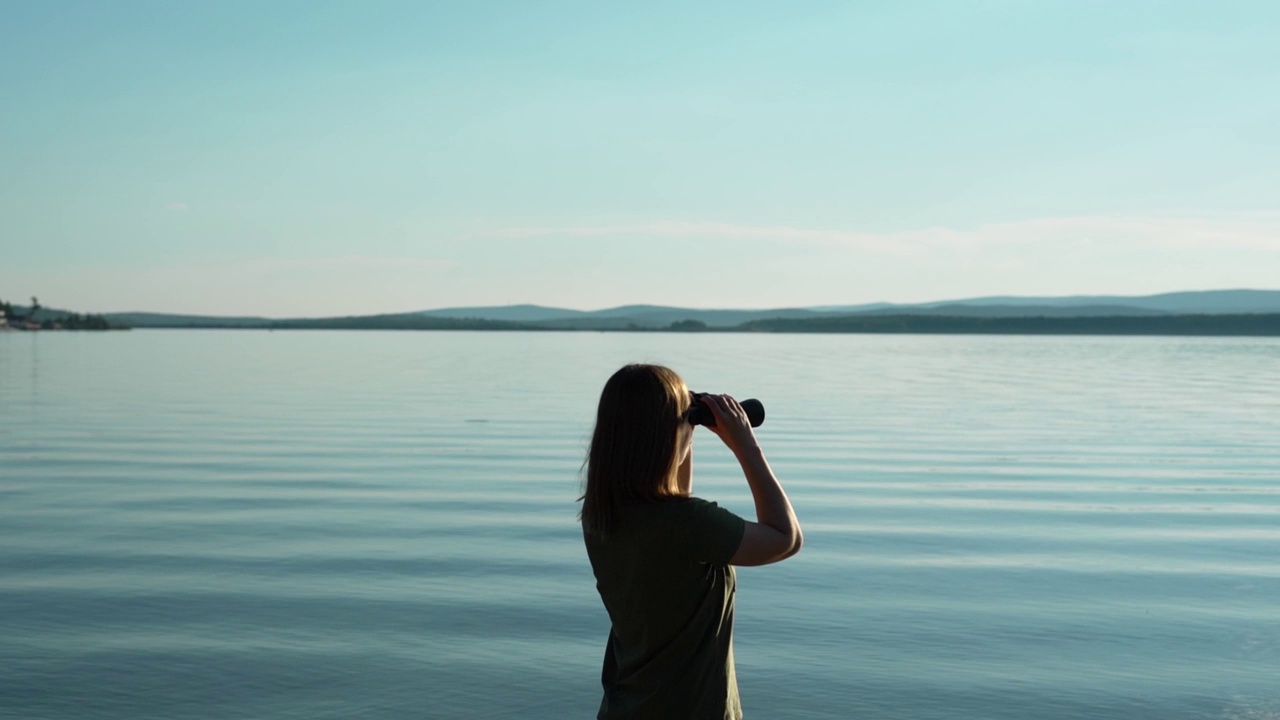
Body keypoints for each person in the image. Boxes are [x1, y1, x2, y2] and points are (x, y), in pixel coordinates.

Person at [580, 364, 804, 720]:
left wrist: (688, 427)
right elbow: (785, 538)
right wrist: (745, 444)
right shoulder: (688, 526)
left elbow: (674, 498)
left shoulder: (603, 516)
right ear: (664, 435)